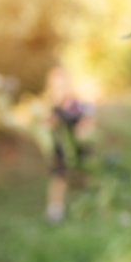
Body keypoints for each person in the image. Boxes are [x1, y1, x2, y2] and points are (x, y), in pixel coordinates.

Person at [44, 67, 93, 223]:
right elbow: (47, 125)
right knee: (59, 176)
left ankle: (88, 202)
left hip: (79, 145)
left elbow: (87, 120)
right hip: (62, 147)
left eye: (63, 85)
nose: (61, 89)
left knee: (85, 173)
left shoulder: (77, 104)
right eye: (56, 87)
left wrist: (84, 129)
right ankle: (55, 208)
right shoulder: (52, 107)